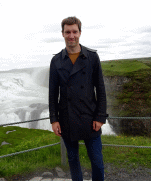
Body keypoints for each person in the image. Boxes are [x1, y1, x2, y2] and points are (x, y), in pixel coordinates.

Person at [49, 16, 108, 181]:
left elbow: (101, 89)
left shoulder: (92, 57)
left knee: (97, 160)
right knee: (73, 160)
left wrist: (100, 116)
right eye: (67, 32)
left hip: (90, 118)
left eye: (74, 31)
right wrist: (54, 120)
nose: (71, 35)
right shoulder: (56, 61)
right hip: (67, 118)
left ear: (80, 33)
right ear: (62, 34)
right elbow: (53, 94)